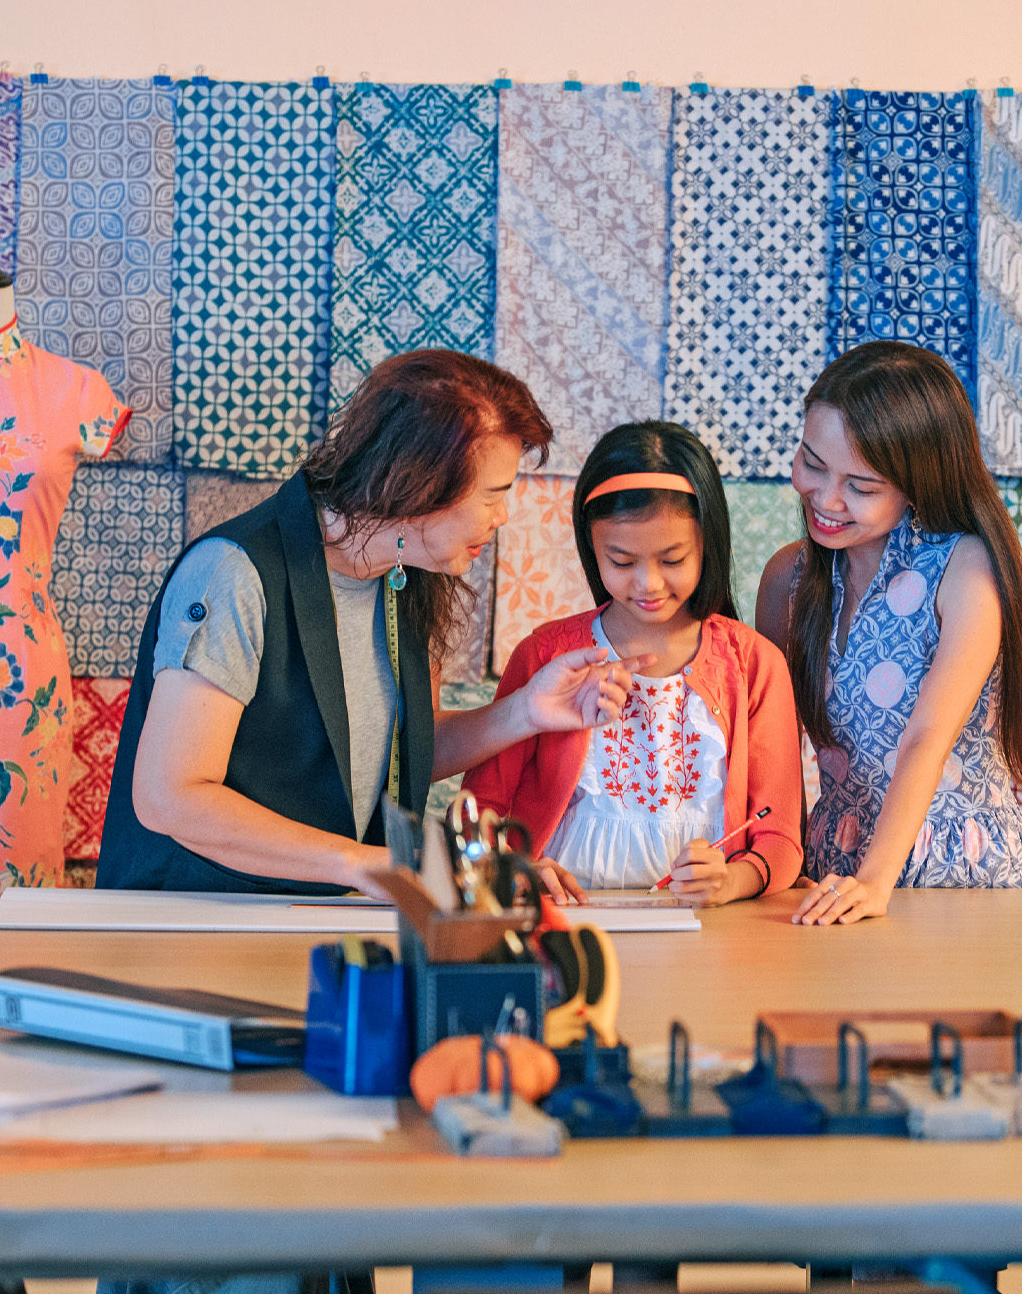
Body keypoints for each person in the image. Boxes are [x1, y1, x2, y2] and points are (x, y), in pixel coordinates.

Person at [97, 351, 648, 895]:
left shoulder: (408, 570)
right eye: (492, 496)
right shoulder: (232, 574)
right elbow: (170, 795)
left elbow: (402, 752)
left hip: (312, 918)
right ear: (420, 484)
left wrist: (526, 712)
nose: (502, 518)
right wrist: (363, 864)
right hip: (193, 920)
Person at [755, 341, 1022, 925]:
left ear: (917, 483)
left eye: (861, 486)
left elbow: (926, 737)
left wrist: (876, 879)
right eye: (812, 463)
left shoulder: (963, 569)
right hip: (834, 868)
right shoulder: (788, 578)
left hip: (956, 877)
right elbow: (772, 745)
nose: (826, 500)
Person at [463, 421, 802, 906]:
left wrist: (732, 881)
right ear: (590, 548)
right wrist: (514, 868)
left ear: (708, 543)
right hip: (564, 918)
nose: (647, 583)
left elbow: (781, 837)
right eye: (621, 562)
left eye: (672, 559)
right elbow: (480, 811)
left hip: (711, 932)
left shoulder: (754, 664)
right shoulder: (544, 654)